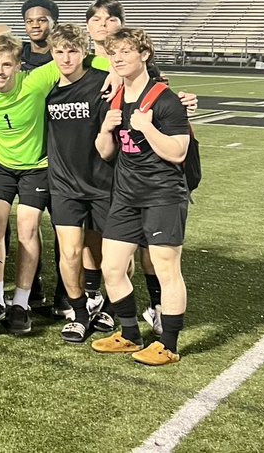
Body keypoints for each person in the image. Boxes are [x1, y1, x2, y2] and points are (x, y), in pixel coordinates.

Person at [0, 33, 99, 333]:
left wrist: (125, 73)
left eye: (6, 65)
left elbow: (85, 58)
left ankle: (22, 303)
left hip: (36, 167)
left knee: (28, 229)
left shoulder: (36, 81)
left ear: (19, 66)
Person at [92, 29, 192, 366]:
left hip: (163, 196)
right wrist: (106, 129)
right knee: (113, 267)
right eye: (113, 53)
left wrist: (147, 127)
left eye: (125, 52)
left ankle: (169, 344)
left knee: (166, 268)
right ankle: (130, 333)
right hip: (125, 196)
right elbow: (105, 153)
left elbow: (178, 152)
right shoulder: (116, 97)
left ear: (144, 55)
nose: (118, 58)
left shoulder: (165, 99)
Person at [45, 24, 114, 343]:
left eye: (72, 51)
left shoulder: (103, 84)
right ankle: (79, 312)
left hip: (103, 183)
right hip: (64, 185)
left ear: (84, 51)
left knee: (109, 254)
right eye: (59, 51)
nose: (66, 58)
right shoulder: (45, 89)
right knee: (70, 253)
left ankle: (112, 305)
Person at [21, 0, 59, 71]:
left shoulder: (63, 59)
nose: (35, 25)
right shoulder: (15, 54)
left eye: (42, 20)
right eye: (29, 21)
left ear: (55, 24)